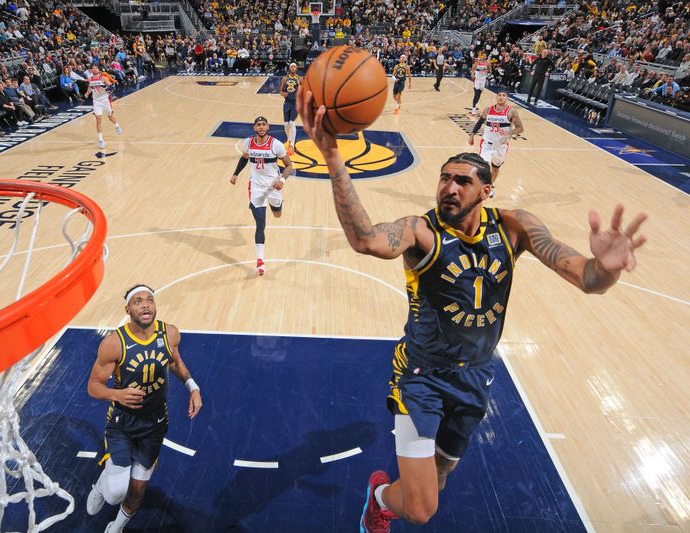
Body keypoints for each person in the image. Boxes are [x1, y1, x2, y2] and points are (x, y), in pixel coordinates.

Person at [297, 90, 647, 532]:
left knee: (440, 478)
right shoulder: (421, 231)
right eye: (444, 178)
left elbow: (585, 278)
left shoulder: (515, 226)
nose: (449, 186)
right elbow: (366, 239)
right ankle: (379, 496)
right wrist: (331, 157)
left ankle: (399, 492)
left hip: (475, 375)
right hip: (420, 376)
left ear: (487, 189)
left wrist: (606, 268)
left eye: (462, 180)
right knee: (422, 510)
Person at [86, 285, 202, 533]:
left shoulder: (169, 333)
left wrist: (193, 387)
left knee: (137, 491)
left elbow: (175, 361)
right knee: (116, 493)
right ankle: (100, 486)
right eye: (138, 301)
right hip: (122, 423)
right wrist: (117, 394)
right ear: (128, 309)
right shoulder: (114, 343)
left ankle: (115, 528)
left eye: (150, 300)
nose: (146, 305)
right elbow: (93, 387)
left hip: (154, 425)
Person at [229, 116, 294, 276]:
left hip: (273, 187)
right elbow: (244, 159)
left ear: (268, 127)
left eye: (264, 124)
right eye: (258, 125)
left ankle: (275, 205)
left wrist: (282, 180)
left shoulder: (276, 144)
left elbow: (289, 166)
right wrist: (235, 173)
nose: (261, 127)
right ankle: (260, 261)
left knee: (277, 214)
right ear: (254, 128)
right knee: (260, 223)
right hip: (256, 187)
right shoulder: (248, 143)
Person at [468, 90, 524, 189]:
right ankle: (480, 187)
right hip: (487, 143)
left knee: (495, 168)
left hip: (501, 145)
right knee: (482, 167)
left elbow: (520, 128)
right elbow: (480, 122)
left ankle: (491, 185)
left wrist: (509, 132)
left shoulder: (511, 111)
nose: (501, 97)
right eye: (499, 95)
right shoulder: (488, 110)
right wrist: (472, 135)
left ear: (507, 98)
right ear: (496, 97)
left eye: (504, 95)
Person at [85, 64, 122, 149]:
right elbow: (90, 86)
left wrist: (105, 90)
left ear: (99, 69)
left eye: (96, 68)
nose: (94, 69)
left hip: (105, 100)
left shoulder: (103, 78)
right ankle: (101, 140)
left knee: (110, 117)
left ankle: (116, 126)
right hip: (96, 101)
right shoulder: (90, 79)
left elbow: (112, 87)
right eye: (93, 68)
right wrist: (87, 93)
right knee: (98, 120)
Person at [279, 62, 302, 155]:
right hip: (287, 102)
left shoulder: (299, 78)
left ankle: (292, 144)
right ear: (289, 68)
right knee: (286, 125)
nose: (293, 68)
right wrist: (282, 94)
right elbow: (280, 90)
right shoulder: (284, 78)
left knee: (292, 122)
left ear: (296, 68)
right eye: (292, 66)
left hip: (295, 103)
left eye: (294, 66)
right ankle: (289, 140)